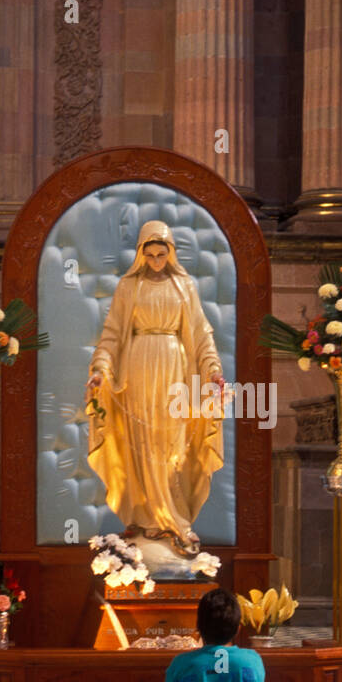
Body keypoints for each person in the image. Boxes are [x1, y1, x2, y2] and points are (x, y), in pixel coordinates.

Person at [84, 220, 225, 559]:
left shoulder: (184, 285)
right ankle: (144, 519)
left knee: (172, 445)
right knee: (141, 444)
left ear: (171, 253)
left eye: (163, 254)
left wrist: (213, 370)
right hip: (137, 370)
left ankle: (175, 519)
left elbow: (201, 333)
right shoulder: (128, 287)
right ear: (141, 254)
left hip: (174, 369)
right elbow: (113, 335)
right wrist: (101, 369)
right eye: (151, 255)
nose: (157, 261)